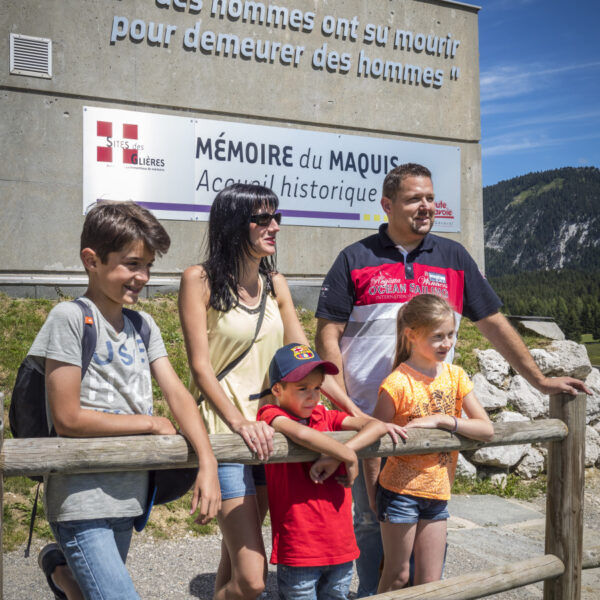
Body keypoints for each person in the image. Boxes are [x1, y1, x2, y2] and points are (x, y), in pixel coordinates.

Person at [315, 162, 591, 596]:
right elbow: (327, 334)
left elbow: (494, 322)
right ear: (387, 204)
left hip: (430, 425)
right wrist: (344, 407)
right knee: (371, 528)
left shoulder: (454, 258)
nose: (426, 206)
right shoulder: (355, 258)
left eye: (430, 197)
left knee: (428, 527)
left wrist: (538, 381)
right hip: (370, 419)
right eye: (414, 199)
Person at [179, 184, 365, 600]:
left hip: (273, 429)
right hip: (227, 432)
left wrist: (356, 411)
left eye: (276, 217)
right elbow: (200, 366)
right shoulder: (199, 279)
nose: (274, 226)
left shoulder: (275, 282)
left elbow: (306, 361)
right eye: (262, 219)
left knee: (233, 557)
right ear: (233, 224)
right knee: (253, 579)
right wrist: (239, 423)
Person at [30, 201, 220, 600]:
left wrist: (207, 461)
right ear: (91, 260)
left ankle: (64, 578)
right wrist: (149, 423)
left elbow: (177, 393)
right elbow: (68, 418)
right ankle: (66, 576)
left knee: (92, 592)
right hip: (81, 502)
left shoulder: (141, 324)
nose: (143, 277)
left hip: (129, 496)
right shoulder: (68, 318)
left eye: (148, 266)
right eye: (132, 264)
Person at [363, 294, 493, 591]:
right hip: (398, 492)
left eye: (451, 335)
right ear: (411, 335)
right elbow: (374, 439)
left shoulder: (456, 376)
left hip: (438, 492)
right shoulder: (397, 383)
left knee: (431, 582)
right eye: (437, 337)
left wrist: (444, 420)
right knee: (397, 575)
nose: (446, 343)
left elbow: (486, 429)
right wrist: (373, 492)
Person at [256, 343, 404, 600]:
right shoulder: (271, 414)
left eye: (317, 387)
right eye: (303, 389)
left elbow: (376, 425)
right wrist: (347, 455)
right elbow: (300, 433)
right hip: (299, 550)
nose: (312, 396)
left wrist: (339, 454)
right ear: (277, 389)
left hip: (341, 549)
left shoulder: (325, 416)